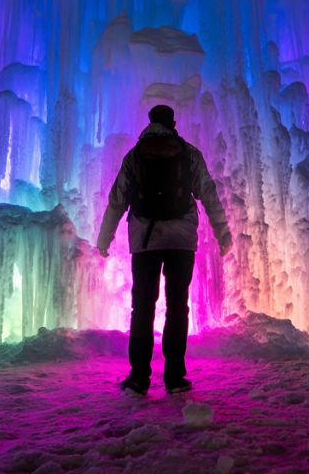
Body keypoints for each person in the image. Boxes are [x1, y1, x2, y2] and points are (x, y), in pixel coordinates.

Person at [97, 105, 233, 396]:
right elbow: (208, 194)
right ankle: (174, 377)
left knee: (143, 307)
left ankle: (139, 377)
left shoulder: (135, 156)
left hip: (145, 240)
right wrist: (222, 231)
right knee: (177, 306)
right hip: (181, 240)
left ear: (149, 123)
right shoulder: (189, 154)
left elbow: (117, 199)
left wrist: (104, 237)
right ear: (173, 123)